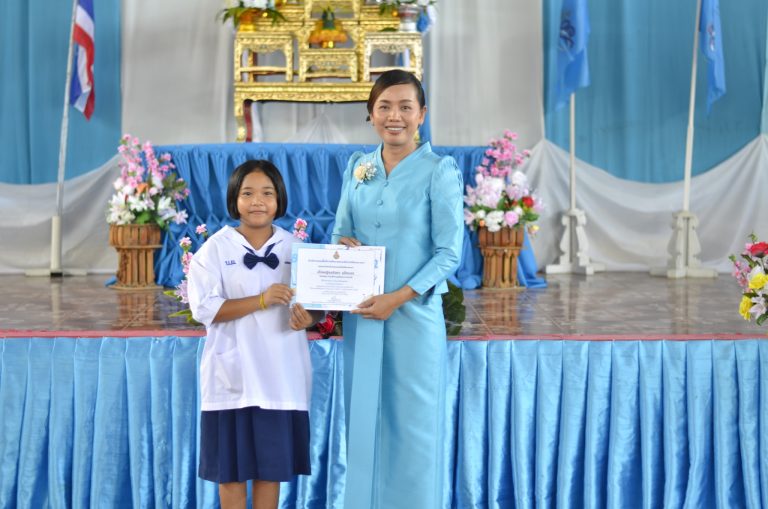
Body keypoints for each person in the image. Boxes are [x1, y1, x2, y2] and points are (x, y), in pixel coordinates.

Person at [332, 69, 464, 508]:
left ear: (421, 114)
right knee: (365, 425)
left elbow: (449, 253)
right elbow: (340, 231)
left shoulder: (439, 171)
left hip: (413, 319)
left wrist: (398, 297)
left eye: (406, 107)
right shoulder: (358, 167)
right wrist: (341, 249)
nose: (395, 116)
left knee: (413, 430)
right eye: (384, 106)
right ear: (370, 114)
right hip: (363, 317)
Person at [188, 160, 321, 509]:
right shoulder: (215, 249)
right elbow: (204, 308)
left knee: (270, 473)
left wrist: (308, 318)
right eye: (247, 193)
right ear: (234, 199)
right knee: (230, 475)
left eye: (267, 193)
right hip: (232, 381)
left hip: (281, 379)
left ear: (280, 199)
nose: (257, 201)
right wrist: (261, 300)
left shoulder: (297, 249)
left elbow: (318, 308)